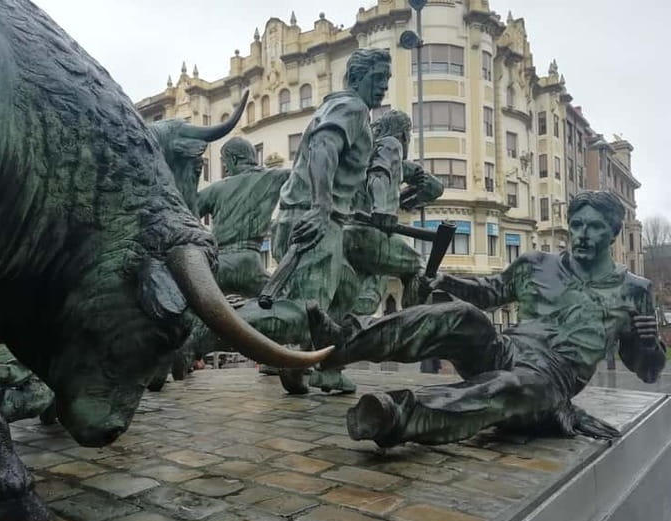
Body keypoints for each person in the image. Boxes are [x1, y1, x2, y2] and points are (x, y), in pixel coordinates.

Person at [307, 190, 665, 446]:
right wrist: (446, 281)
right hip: (505, 349)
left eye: (595, 227)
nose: (582, 234)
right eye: (576, 224)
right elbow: (488, 293)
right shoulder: (536, 264)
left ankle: (396, 417)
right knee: (462, 316)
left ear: (614, 231)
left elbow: (648, 372)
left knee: (506, 386)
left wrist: (647, 344)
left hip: (550, 380)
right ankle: (341, 344)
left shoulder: (634, 290)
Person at [266, 47, 393, 393]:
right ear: (356, 78)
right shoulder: (350, 107)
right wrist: (321, 207)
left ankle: (324, 367)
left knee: (347, 290)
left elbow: (342, 175)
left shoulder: (343, 108)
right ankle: (196, 340)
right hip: (315, 220)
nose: (384, 87)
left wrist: (361, 213)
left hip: (306, 216)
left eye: (387, 80)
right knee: (305, 310)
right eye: (377, 79)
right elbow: (323, 148)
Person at [345, 109, 443, 315]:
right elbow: (380, 173)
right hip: (369, 232)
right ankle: (413, 322)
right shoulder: (391, 144)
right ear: (405, 135)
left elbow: (432, 187)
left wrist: (419, 190)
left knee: (365, 297)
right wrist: (381, 209)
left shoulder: (358, 155)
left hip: (345, 234)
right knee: (420, 269)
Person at [197, 137, 290, 297]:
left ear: (233, 159)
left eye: (225, 162)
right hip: (249, 263)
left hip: (217, 266)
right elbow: (306, 177)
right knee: (288, 301)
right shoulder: (274, 176)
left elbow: (186, 212)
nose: (225, 168)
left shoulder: (216, 189)